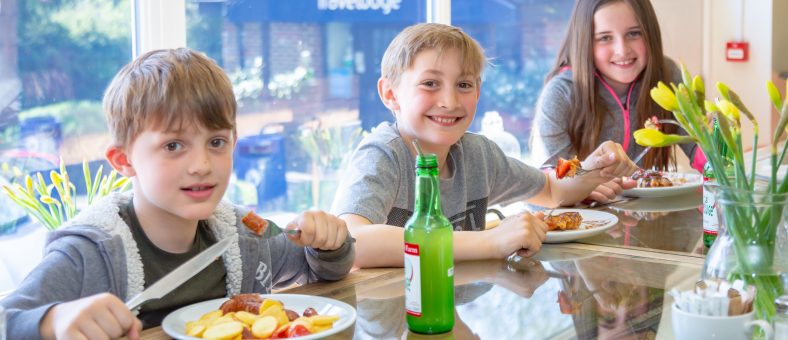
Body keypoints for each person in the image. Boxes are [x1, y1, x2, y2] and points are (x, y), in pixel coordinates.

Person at [0, 48, 354, 339]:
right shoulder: (89, 253)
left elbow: (319, 270)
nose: (201, 164)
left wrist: (329, 242)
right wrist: (52, 321)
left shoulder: (246, 234)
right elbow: (8, 319)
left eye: (216, 142)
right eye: (173, 145)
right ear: (123, 160)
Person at [331, 23, 638, 269]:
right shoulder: (384, 155)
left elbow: (551, 190)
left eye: (464, 85)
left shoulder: (478, 154)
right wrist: (490, 243)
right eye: (430, 83)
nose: (449, 101)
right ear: (390, 94)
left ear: (477, 93)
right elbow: (354, 241)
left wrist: (595, 168)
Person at [530, 0, 702, 202]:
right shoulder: (560, 93)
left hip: (645, 220)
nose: (622, 50)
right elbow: (547, 176)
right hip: (585, 222)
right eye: (604, 38)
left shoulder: (668, 75)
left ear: (650, 33)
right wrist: (580, 186)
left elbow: (701, 150)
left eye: (634, 33)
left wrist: (719, 146)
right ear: (585, 41)